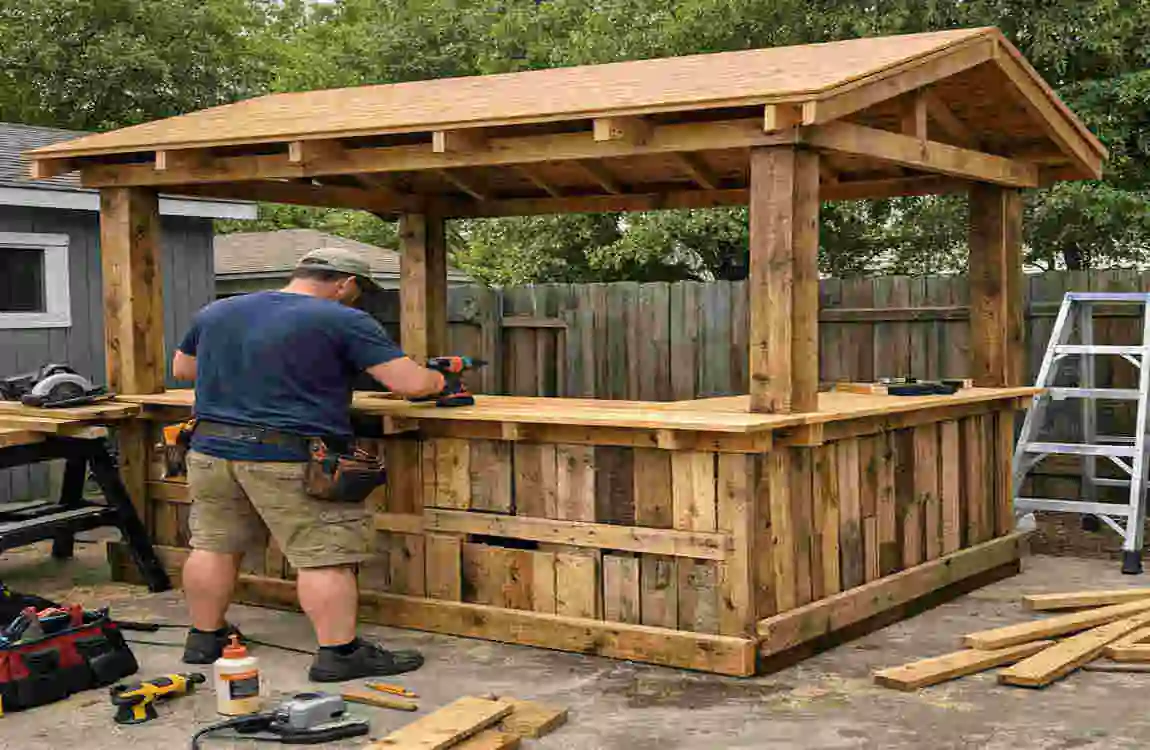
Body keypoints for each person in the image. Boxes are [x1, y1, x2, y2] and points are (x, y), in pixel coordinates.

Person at [170, 247, 446, 682]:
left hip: (210, 450)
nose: (356, 300)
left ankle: (205, 639)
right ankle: (339, 654)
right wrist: (439, 378)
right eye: (357, 292)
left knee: (213, 544)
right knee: (324, 555)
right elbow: (411, 384)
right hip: (290, 456)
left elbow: (183, 369)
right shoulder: (342, 319)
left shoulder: (219, 311)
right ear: (344, 283)